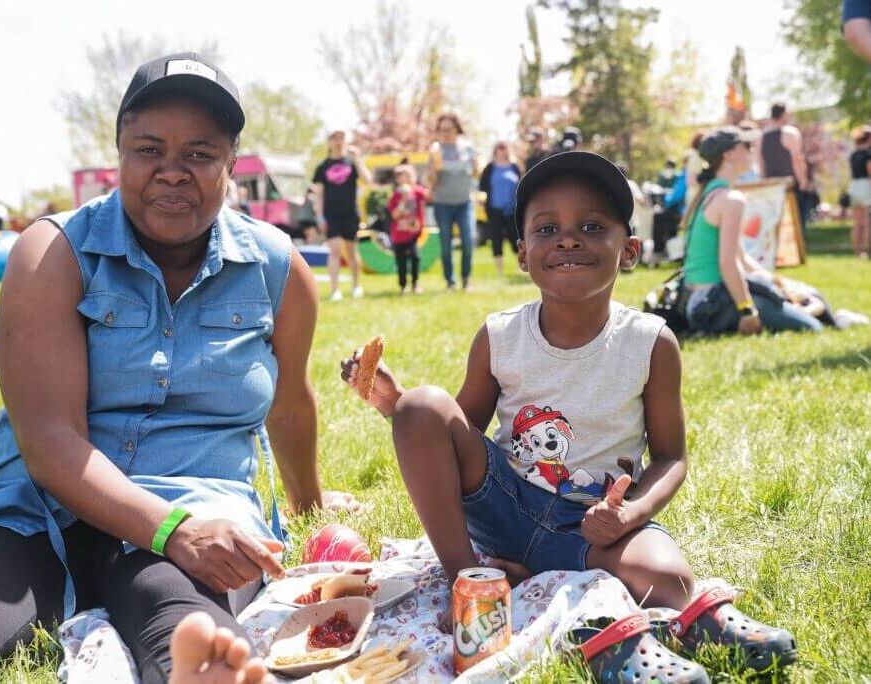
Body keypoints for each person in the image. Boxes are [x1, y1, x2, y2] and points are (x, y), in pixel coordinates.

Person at [0, 52, 357, 684]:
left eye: (200, 154)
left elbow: (289, 405)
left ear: (232, 164)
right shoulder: (54, 252)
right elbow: (48, 443)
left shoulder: (278, 269)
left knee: (189, 629)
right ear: (120, 151)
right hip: (33, 509)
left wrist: (309, 508)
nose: (172, 172)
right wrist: (172, 530)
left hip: (199, 503)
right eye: (149, 149)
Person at [341, 151, 796, 675]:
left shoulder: (652, 343)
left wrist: (631, 515)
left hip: (594, 528)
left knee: (669, 581)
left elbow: (671, 457)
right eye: (548, 227)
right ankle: (472, 582)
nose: (568, 238)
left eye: (591, 226)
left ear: (628, 251)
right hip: (504, 511)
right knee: (423, 405)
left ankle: (662, 623)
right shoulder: (500, 335)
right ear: (522, 253)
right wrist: (396, 407)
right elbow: (454, 434)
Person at [684, 126, 823, 335]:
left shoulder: (707, 195)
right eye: (746, 145)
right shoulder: (731, 200)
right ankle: (832, 318)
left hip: (698, 303)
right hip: (714, 303)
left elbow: (740, 257)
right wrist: (747, 311)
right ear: (728, 155)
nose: (752, 150)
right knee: (813, 327)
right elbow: (727, 263)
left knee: (808, 294)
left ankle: (831, 316)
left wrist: (776, 281)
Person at [312, 130, 372, 301]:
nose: (338, 142)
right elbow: (319, 194)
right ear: (329, 142)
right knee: (335, 251)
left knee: (352, 253)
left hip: (350, 214)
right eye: (335, 138)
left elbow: (368, 180)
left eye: (342, 138)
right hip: (331, 215)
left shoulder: (352, 163)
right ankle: (334, 290)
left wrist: (358, 159)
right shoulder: (322, 167)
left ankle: (356, 286)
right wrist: (319, 216)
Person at [429, 113, 479, 291]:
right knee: (446, 245)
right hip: (442, 204)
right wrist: (434, 168)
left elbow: (475, 174)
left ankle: (466, 279)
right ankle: (450, 282)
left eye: (448, 129)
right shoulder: (436, 149)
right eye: (441, 130)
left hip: (464, 202)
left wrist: (476, 166)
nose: (445, 133)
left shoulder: (468, 148)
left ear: (457, 129)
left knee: (468, 241)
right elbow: (431, 180)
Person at [759, 103, 810, 239]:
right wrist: (802, 180)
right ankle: (797, 247)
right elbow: (797, 159)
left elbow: (761, 163)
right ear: (784, 114)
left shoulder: (762, 136)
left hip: (771, 184)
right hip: (790, 184)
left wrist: (765, 181)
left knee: (775, 218)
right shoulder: (790, 133)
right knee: (797, 217)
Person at [478, 141, 521, 276]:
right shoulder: (490, 168)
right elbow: (482, 187)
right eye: (499, 148)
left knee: (516, 238)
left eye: (504, 148)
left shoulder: (514, 167)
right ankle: (500, 271)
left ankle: (521, 267)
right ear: (495, 151)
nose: (501, 151)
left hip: (512, 210)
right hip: (494, 209)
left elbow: (521, 185)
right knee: (496, 238)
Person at [387, 164, 427, 294]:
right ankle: (403, 285)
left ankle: (415, 284)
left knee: (415, 257)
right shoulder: (395, 196)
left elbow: (429, 195)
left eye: (412, 176)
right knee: (401, 261)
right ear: (399, 180)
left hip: (413, 234)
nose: (411, 179)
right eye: (407, 176)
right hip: (398, 235)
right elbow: (394, 215)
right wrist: (403, 202)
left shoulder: (417, 192)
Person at [849, 125, 871, 258]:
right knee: (867, 221)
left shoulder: (854, 154)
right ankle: (867, 251)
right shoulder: (868, 154)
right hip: (865, 186)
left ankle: (858, 252)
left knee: (857, 222)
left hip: (854, 187)